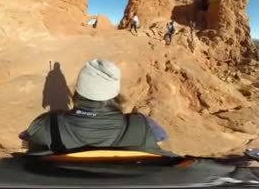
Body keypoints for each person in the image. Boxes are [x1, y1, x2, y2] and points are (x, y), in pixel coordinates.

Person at [19, 59, 172, 155]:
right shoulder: (144, 125)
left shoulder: (45, 124)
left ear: (77, 91)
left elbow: (26, 147)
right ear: (115, 94)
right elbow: (159, 146)